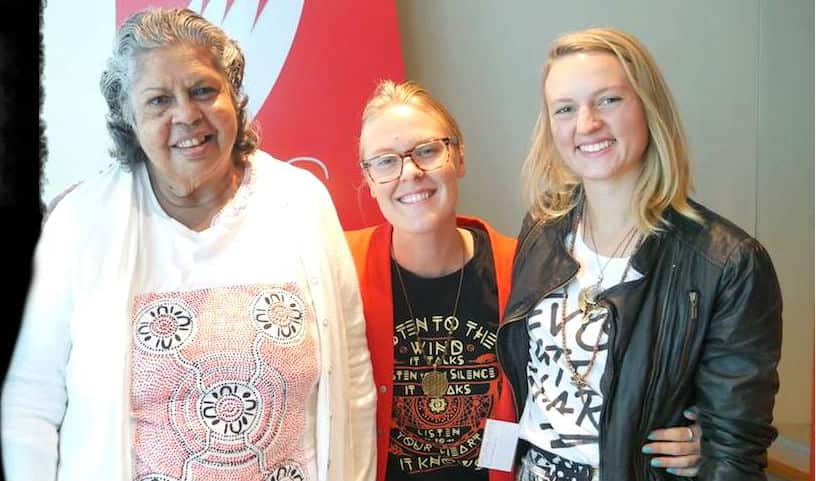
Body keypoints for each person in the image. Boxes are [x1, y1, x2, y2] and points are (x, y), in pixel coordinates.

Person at [1, 8, 375, 481]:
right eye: (159, 100)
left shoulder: (302, 201)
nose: (186, 115)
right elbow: (31, 401)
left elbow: (354, 381)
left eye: (203, 90)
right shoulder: (79, 222)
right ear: (128, 118)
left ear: (234, 96)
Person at [347, 80, 703, 481]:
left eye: (428, 151)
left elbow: (603, 366)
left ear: (459, 157)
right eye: (385, 161)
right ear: (368, 179)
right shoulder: (340, 271)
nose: (410, 173)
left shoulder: (529, 267)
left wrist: (698, 429)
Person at [496, 27, 782, 481]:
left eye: (608, 100)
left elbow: (736, 449)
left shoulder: (727, 262)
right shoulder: (543, 229)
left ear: (649, 108)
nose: (586, 124)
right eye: (565, 109)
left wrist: (709, 442)